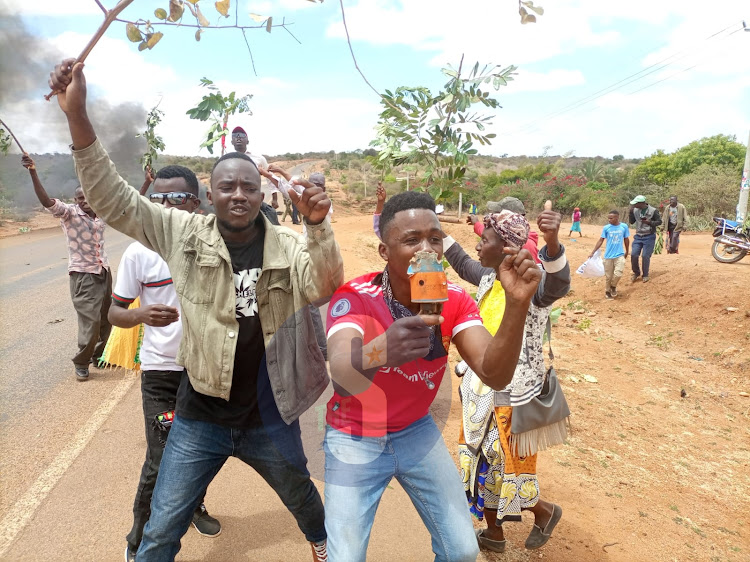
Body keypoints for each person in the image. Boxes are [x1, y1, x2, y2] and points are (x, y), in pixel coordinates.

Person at [49, 59, 344, 562]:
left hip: (270, 415)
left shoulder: (289, 245)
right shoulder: (182, 234)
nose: (237, 194)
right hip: (200, 413)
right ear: (210, 194)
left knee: (304, 501)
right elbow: (112, 198)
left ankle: (322, 542)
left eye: (248, 187)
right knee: (162, 531)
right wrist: (78, 116)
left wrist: (318, 227)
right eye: (227, 186)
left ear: (260, 196)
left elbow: (323, 287)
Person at [323, 191, 543, 561]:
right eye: (411, 240)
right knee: (344, 557)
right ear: (384, 252)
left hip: (415, 430)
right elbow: (342, 376)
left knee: (460, 550)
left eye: (435, 238)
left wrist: (518, 304)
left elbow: (495, 373)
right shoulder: (356, 296)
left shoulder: (454, 299)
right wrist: (382, 349)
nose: (427, 249)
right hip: (354, 433)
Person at [109, 165, 221, 562]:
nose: (164, 206)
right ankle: (138, 538)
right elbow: (115, 313)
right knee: (160, 460)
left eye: (176, 198)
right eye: (157, 199)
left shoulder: (216, 242)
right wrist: (140, 315)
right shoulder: (139, 252)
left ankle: (194, 506)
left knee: (205, 451)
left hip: (207, 370)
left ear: (195, 202)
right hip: (162, 374)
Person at [443, 205, 570, 553]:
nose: (478, 247)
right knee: (481, 464)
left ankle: (543, 510)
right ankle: (495, 533)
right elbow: (460, 260)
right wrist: (433, 231)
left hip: (512, 397)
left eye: (485, 240)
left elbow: (559, 283)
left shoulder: (532, 283)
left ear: (506, 248)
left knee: (505, 468)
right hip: (479, 389)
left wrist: (554, 242)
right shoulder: (487, 276)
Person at [22, 153, 111, 380]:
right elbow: (46, 201)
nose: (83, 201)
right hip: (83, 276)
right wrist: (33, 171)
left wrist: (147, 182)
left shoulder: (101, 213)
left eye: (86, 197)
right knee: (90, 324)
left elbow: (127, 210)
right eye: (79, 198)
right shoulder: (70, 213)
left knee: (106, 319)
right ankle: (81, 362)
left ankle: (98, 356)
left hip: (103, 272)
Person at [466, 197, 541, 264]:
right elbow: (491, 235)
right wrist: (476, 223)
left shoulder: (527, 245)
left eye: (498, 215)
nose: (494, 217)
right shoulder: (508, 236)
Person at [230, 126, 280, 211]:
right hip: (233, 198)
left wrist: (274, 198)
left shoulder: (259, 159)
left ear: (247, 141)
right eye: (235, 135)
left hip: (253, 198)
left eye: (242, 135)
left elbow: (269, 177)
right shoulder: (227, 160)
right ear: (232, 142)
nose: (238, 137)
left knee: (268, 217)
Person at [589, 210, 630, 300]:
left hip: (620, 254)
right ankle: (608, 291)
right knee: (609, 276)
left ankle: (613, 286)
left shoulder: (624, 226)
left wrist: (627, 251)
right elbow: (601, 240)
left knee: (618, 273)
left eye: (611, 218)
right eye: (608, 218)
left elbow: (626, 239)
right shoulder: (606, 228)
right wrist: (593, 252)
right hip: (608, 256)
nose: (609, 220)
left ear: (617, 217)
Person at [628, 195, 662, 283]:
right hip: (638, 236)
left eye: (635, 204)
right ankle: (636, 272)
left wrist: (649, 222)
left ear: (641, 203)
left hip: (649, 236)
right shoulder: (635, 210)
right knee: (634, 254)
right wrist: (630, 213)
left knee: (645, 256)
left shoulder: (653, 211)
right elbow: (632, 222)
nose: (634, 205)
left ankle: (645, 274)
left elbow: (659, 222)